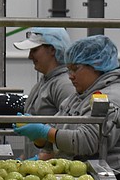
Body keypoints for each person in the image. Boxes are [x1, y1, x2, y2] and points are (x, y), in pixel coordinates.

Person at [11, 34, 120, 180]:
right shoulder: (80, 95)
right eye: (69, 69)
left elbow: (87, 142)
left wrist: (44, 131)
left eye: (75, 69)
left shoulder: (111, 99)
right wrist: (40, 140)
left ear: (96, 65)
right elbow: (58, 126)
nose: (70, 75)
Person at [13, 27, 76, 158]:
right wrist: (24, 158)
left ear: (52, 49)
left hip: (52, 170)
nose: (30, 56)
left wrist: (42, 160)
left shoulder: (64, 85)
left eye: (34, 50)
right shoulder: (44, 82)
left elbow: (71, 136)